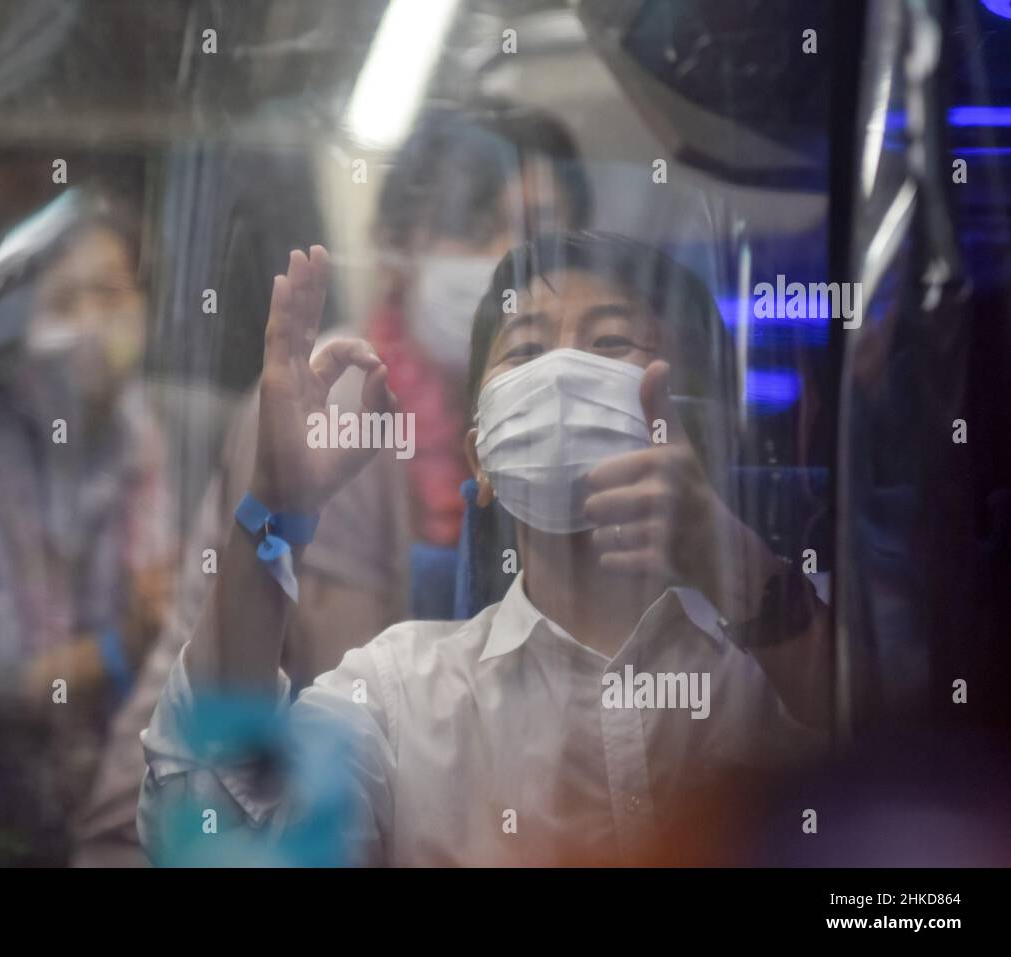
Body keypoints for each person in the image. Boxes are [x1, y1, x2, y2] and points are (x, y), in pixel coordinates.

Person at [137, 234, 832, 866]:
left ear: (695, 425)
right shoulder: (397, 696)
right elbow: (208, 826)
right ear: (481, 459)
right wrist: (274, 511)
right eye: (526, 351)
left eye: (612, 340)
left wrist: (738, 574)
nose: (561, 371)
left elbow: (905, 767)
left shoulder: (791, 660)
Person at [70, 104, 589, 865]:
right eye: (480, 228)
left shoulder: (528, 432)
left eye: (542, 236)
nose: (514, 259)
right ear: (399, 246)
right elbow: (370, 733)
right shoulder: (343, 403)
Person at [0, 193, 177, 866]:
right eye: (63, 302)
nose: (91, 320)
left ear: (145, 303)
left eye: (109, 292)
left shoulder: (188, 439)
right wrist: (120, 648)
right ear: (22, 325)